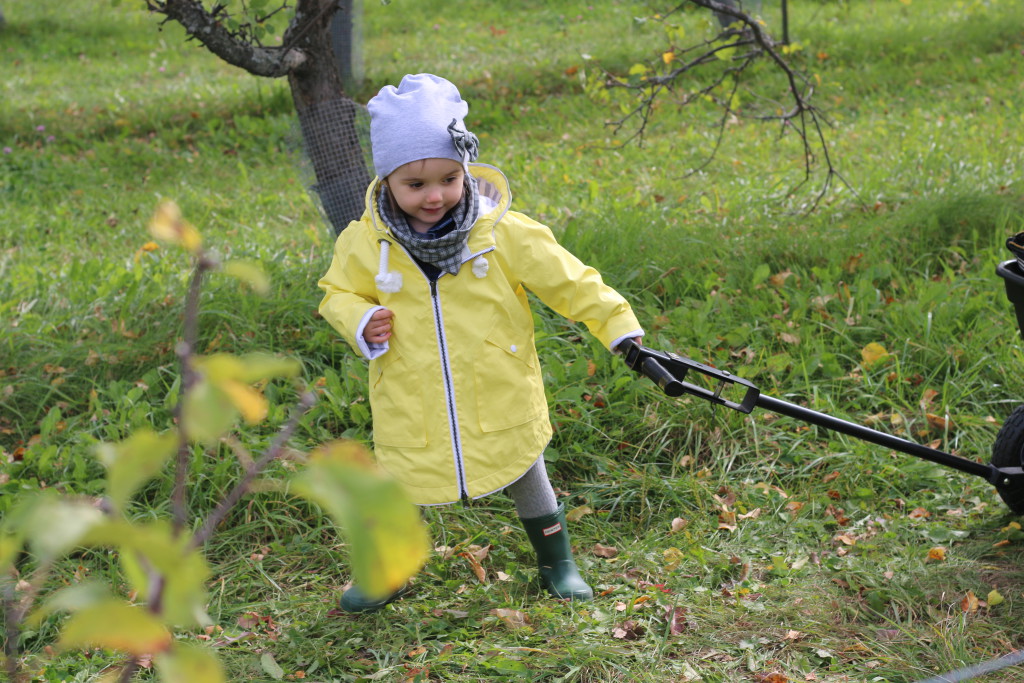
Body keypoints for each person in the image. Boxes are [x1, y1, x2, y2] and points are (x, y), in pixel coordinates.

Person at [317, 73, 644, 613]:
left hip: (499, 388)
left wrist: (619, 327)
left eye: (449, 178)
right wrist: (359, 318)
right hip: (410, 396)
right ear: (387, 181)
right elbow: (336, 291)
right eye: (415, 185)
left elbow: (571, 281)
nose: (435, 196)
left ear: (465, 168)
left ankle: (557, 560)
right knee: (400, 486)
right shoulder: (364, 242)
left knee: (522, 467)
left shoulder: (501, 231)